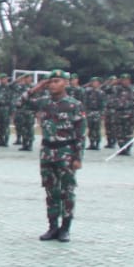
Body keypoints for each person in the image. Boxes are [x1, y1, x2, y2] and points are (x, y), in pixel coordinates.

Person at [32, 71, 84, 241]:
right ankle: (52, 227)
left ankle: (65, 228)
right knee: (50, 191)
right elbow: (19, 103)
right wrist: (38, 87)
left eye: (57, 81)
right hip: (47, 152)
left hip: (66, 152)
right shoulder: (43, 102)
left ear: (65, 83)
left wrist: (78, 157)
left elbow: (80, 133)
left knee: (67, 192)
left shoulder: (74, 105)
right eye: (50, 81)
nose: (52, 84)